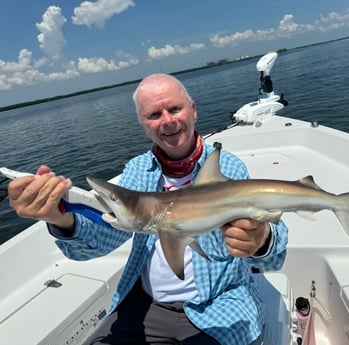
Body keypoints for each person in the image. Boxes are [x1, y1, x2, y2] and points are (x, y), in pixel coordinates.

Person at [8, 74, 288, 345]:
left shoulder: (228, 168)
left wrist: (261, 240)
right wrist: (60, 218)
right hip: (147, 305)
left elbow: (274, 256)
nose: (167, 121)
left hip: (221, 302)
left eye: (175, 109)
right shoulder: (137, 171)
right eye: (154, 115)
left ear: (193, 111)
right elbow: (105, 235)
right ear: (143, 124)